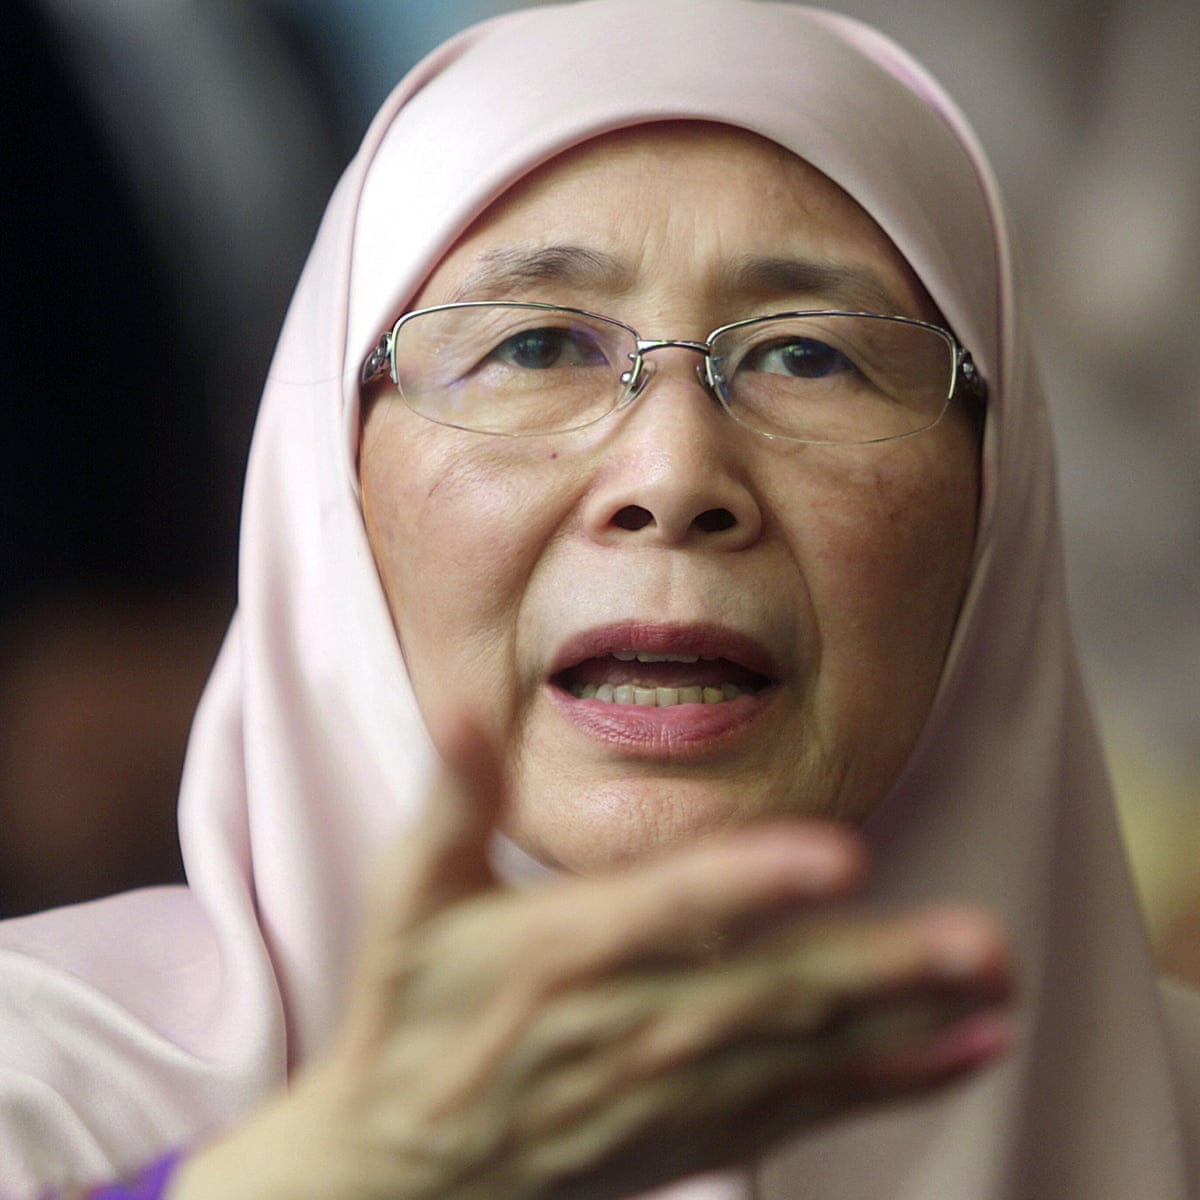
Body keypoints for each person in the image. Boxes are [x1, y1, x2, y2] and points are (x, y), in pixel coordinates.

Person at [2, 1, 1197, 1197]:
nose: (675, 477)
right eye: (533, 348)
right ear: (332, 474)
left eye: (808, 354)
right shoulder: (44, 1082)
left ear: (999, 496)